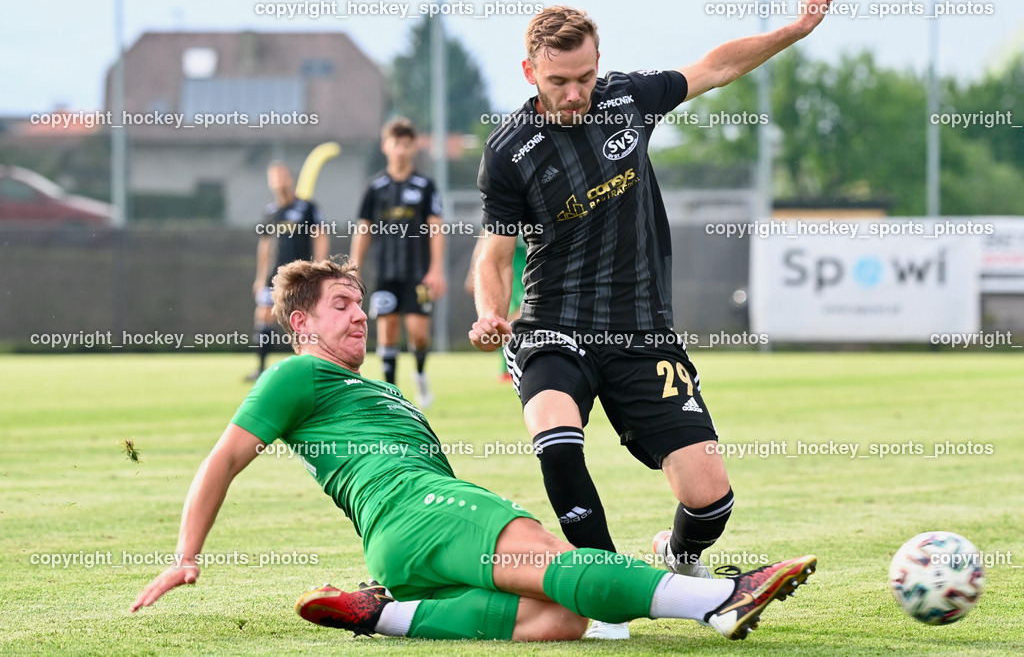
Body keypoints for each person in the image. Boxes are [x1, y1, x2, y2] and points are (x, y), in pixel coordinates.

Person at [130, 256, 817, 642]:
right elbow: (223, 457)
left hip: (400, 541)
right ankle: (720, 597)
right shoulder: (297, 374)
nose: (360, 313)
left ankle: (384, 612)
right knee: (559, 566)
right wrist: (185, 557)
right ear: (301, 321)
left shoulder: (365, 390)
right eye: (341, 303)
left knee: (563, 617)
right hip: (423, 509)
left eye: (359, 301)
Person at [470, 0, 832, 639]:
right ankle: (603, 591)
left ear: (599, 63)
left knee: (710, 494)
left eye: (584, 76)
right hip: (554, 324)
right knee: (556, 438)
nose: (575, 93)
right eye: (559, 81)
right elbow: (492, 257)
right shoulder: (509, 151)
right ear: (530, 72)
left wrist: (792, 31)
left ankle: (682, 556)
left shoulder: (629, 100)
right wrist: (491, 312)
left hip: (641, 332)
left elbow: (716, 66)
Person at [350, 117, 446, 408]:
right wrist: (353, 268)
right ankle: (392, 394)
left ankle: (419, 375)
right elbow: (363, 229)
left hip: (419, 274)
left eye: (406, 144)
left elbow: (436, 228)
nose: (401, 150)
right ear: (385, 147)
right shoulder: (375, 187)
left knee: (418, 334)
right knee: (387, 330)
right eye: (395, 144)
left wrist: (436, 270)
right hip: (386, 274)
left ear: (414, 147)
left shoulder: (426, 186)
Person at [249, 161, 329, 380]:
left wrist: (319, 268)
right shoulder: (270, 211)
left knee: (304, 320)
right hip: (273, 277)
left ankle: (311, 365)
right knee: (264, 315)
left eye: (282, 176)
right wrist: (259, 277)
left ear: (290, 179)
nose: (279, 181)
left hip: (300, 276)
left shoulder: (307, 207)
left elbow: (320, 235)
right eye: (274, 177)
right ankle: (261, 367)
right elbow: (265, 246)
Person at [466, 234, 527, 381]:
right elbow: (485, 238)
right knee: (501, 320)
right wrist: (473, 275)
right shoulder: (503, 216)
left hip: (530, 266)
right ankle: (507, 367)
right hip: (507, 266)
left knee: (521, 315)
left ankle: (518, 364)